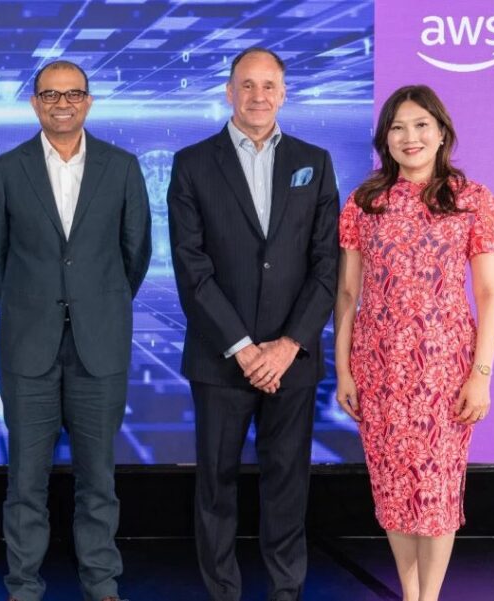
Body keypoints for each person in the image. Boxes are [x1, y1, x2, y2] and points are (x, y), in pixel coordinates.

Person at [334, 84, 494, 601]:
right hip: (379, 369)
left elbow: (489, 293)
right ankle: (410, 592)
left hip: (445, 371)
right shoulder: (365, 202)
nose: (409, 137)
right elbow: (348, 293)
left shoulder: (472, 200)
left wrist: (480, 376)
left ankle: (428, 597)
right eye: (397, 127)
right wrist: (345, 369)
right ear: (385, 138)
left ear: (441, 133)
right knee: (393, 488)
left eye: (420, 126)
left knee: (435, 492)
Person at [167, 47, 339, 601]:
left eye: (269, 85)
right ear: (229, 91)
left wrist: (289, 343)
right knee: (215, 484)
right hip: (221, 358)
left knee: (287, 482)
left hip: (293, 358)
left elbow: (326, 263)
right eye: (247, 85)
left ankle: (286, 591)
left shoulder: (316, 160)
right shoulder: (192, 162)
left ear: (284, 93)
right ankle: (223, 592)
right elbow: (191, 268)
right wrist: (243, 348)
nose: (258, 95)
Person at [0, 59, 151, 601]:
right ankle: (23, 586)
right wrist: (33, 309)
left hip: (99, 345)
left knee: (98, 480)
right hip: (29, 346)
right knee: (25, 481)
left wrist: (98, 304)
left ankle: (101, 584)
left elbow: (135, 253)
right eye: (50, 95)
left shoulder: (122, 168)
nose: (62, 103)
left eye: (73, 93)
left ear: (89, 101)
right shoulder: (7, 169)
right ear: (34, 103)